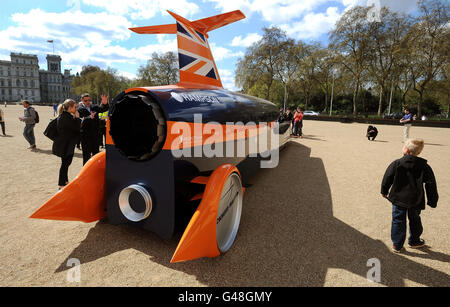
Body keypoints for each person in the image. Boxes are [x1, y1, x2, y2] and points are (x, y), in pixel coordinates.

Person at [381, 138, 439, 253]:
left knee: (398, 220)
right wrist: (432, 200)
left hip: (399, 198)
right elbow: (431, 184)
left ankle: (397, 245)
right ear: (419, 152)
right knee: (415, 219)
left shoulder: (397, 163)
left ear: (406, 150)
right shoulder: (425, 167)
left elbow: (388, 177)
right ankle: (414, 240)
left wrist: (384, 190)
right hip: (416, 199)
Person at [52, 99, 81, 189]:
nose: (76, 109)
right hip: (66, 145)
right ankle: (61, 184)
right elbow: (76, 128)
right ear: (70, 108)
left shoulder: (65, 115)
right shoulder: (66, 117)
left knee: (66, 164)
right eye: (75, 107)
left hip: (65, 144)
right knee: (65, 164)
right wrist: (77, 118)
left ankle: (65, 181)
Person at [78, 93, 109, 165]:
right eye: (86, 100)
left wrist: (105, 103)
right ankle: (86, 174)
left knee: (96, 155)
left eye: (89, 100)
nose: (88, 102)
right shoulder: (79, 109)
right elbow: (79, 120)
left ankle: (95, 172)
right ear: (82, 100)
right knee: (86, 157)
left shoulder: (94, 107)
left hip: (95, 136)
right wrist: (89, 117)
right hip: (85, 137)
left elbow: (103, 109)